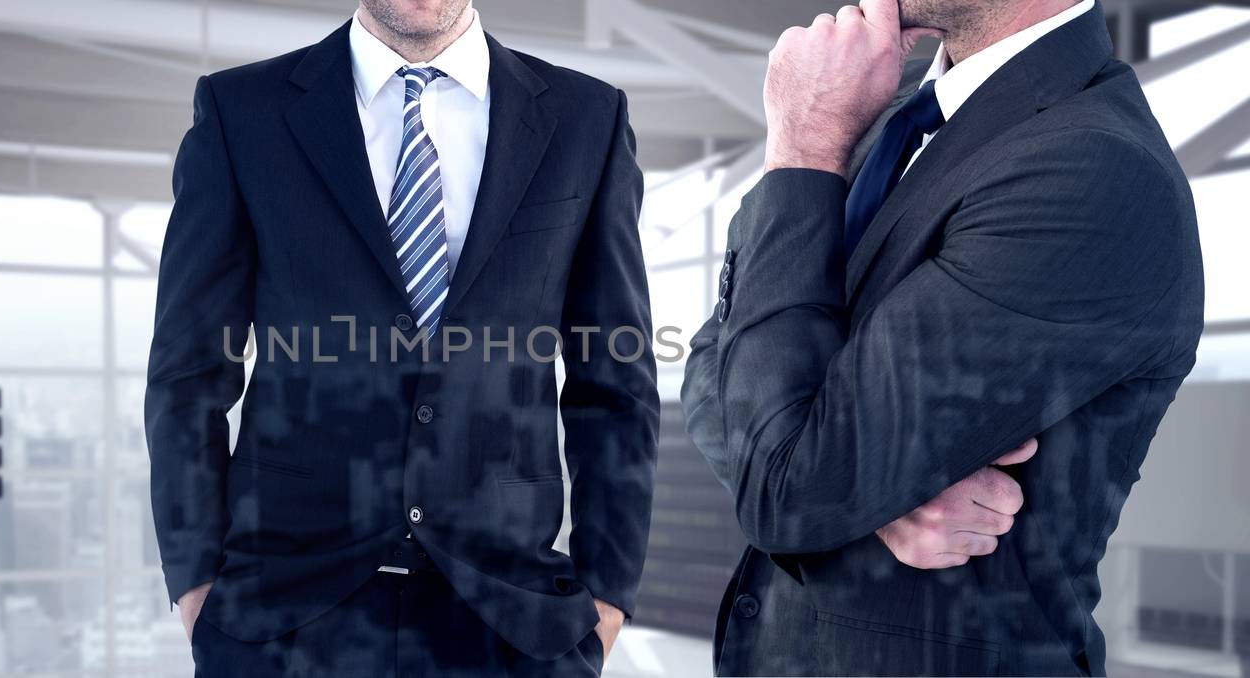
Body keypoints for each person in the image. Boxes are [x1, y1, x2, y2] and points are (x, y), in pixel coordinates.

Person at [681, 0, 1203, 674]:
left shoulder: (1093, 166)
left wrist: (803, 144)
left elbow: (792, 484)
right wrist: (865, 496)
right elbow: (711, 368)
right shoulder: (873, 114)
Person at [145, 1, 658, 675]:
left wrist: (609, 594)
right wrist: (193, 580)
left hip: (513, 618)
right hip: (283, 614)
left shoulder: (586, 118)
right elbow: (188, 371)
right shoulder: (243, 111)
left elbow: (614, 380)